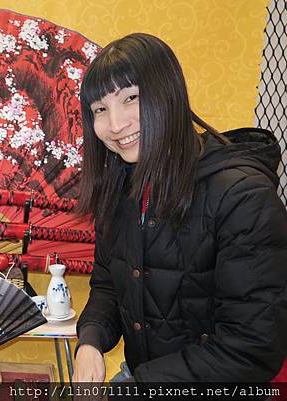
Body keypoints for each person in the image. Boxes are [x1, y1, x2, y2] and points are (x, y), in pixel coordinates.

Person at [73, 32, 287, 384]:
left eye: (131, 98)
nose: (115, 125)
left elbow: (250, 348)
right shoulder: (123, 188)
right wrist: (91, 342)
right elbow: (108, 285)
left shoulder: (242, 197)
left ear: (168, 96)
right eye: (100, 109)